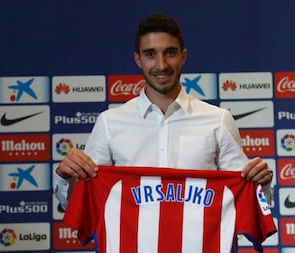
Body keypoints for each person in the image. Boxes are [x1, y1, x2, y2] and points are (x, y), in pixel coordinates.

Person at [53, 13, 273, 211]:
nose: (161, 64)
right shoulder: (110, 123)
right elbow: (79, 203)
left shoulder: (218, 119)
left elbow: (248, 200)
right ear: (137, 60)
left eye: (170, 53)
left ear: (183, 56)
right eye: (150, 54)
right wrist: (66, 178)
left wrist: (261, 183)